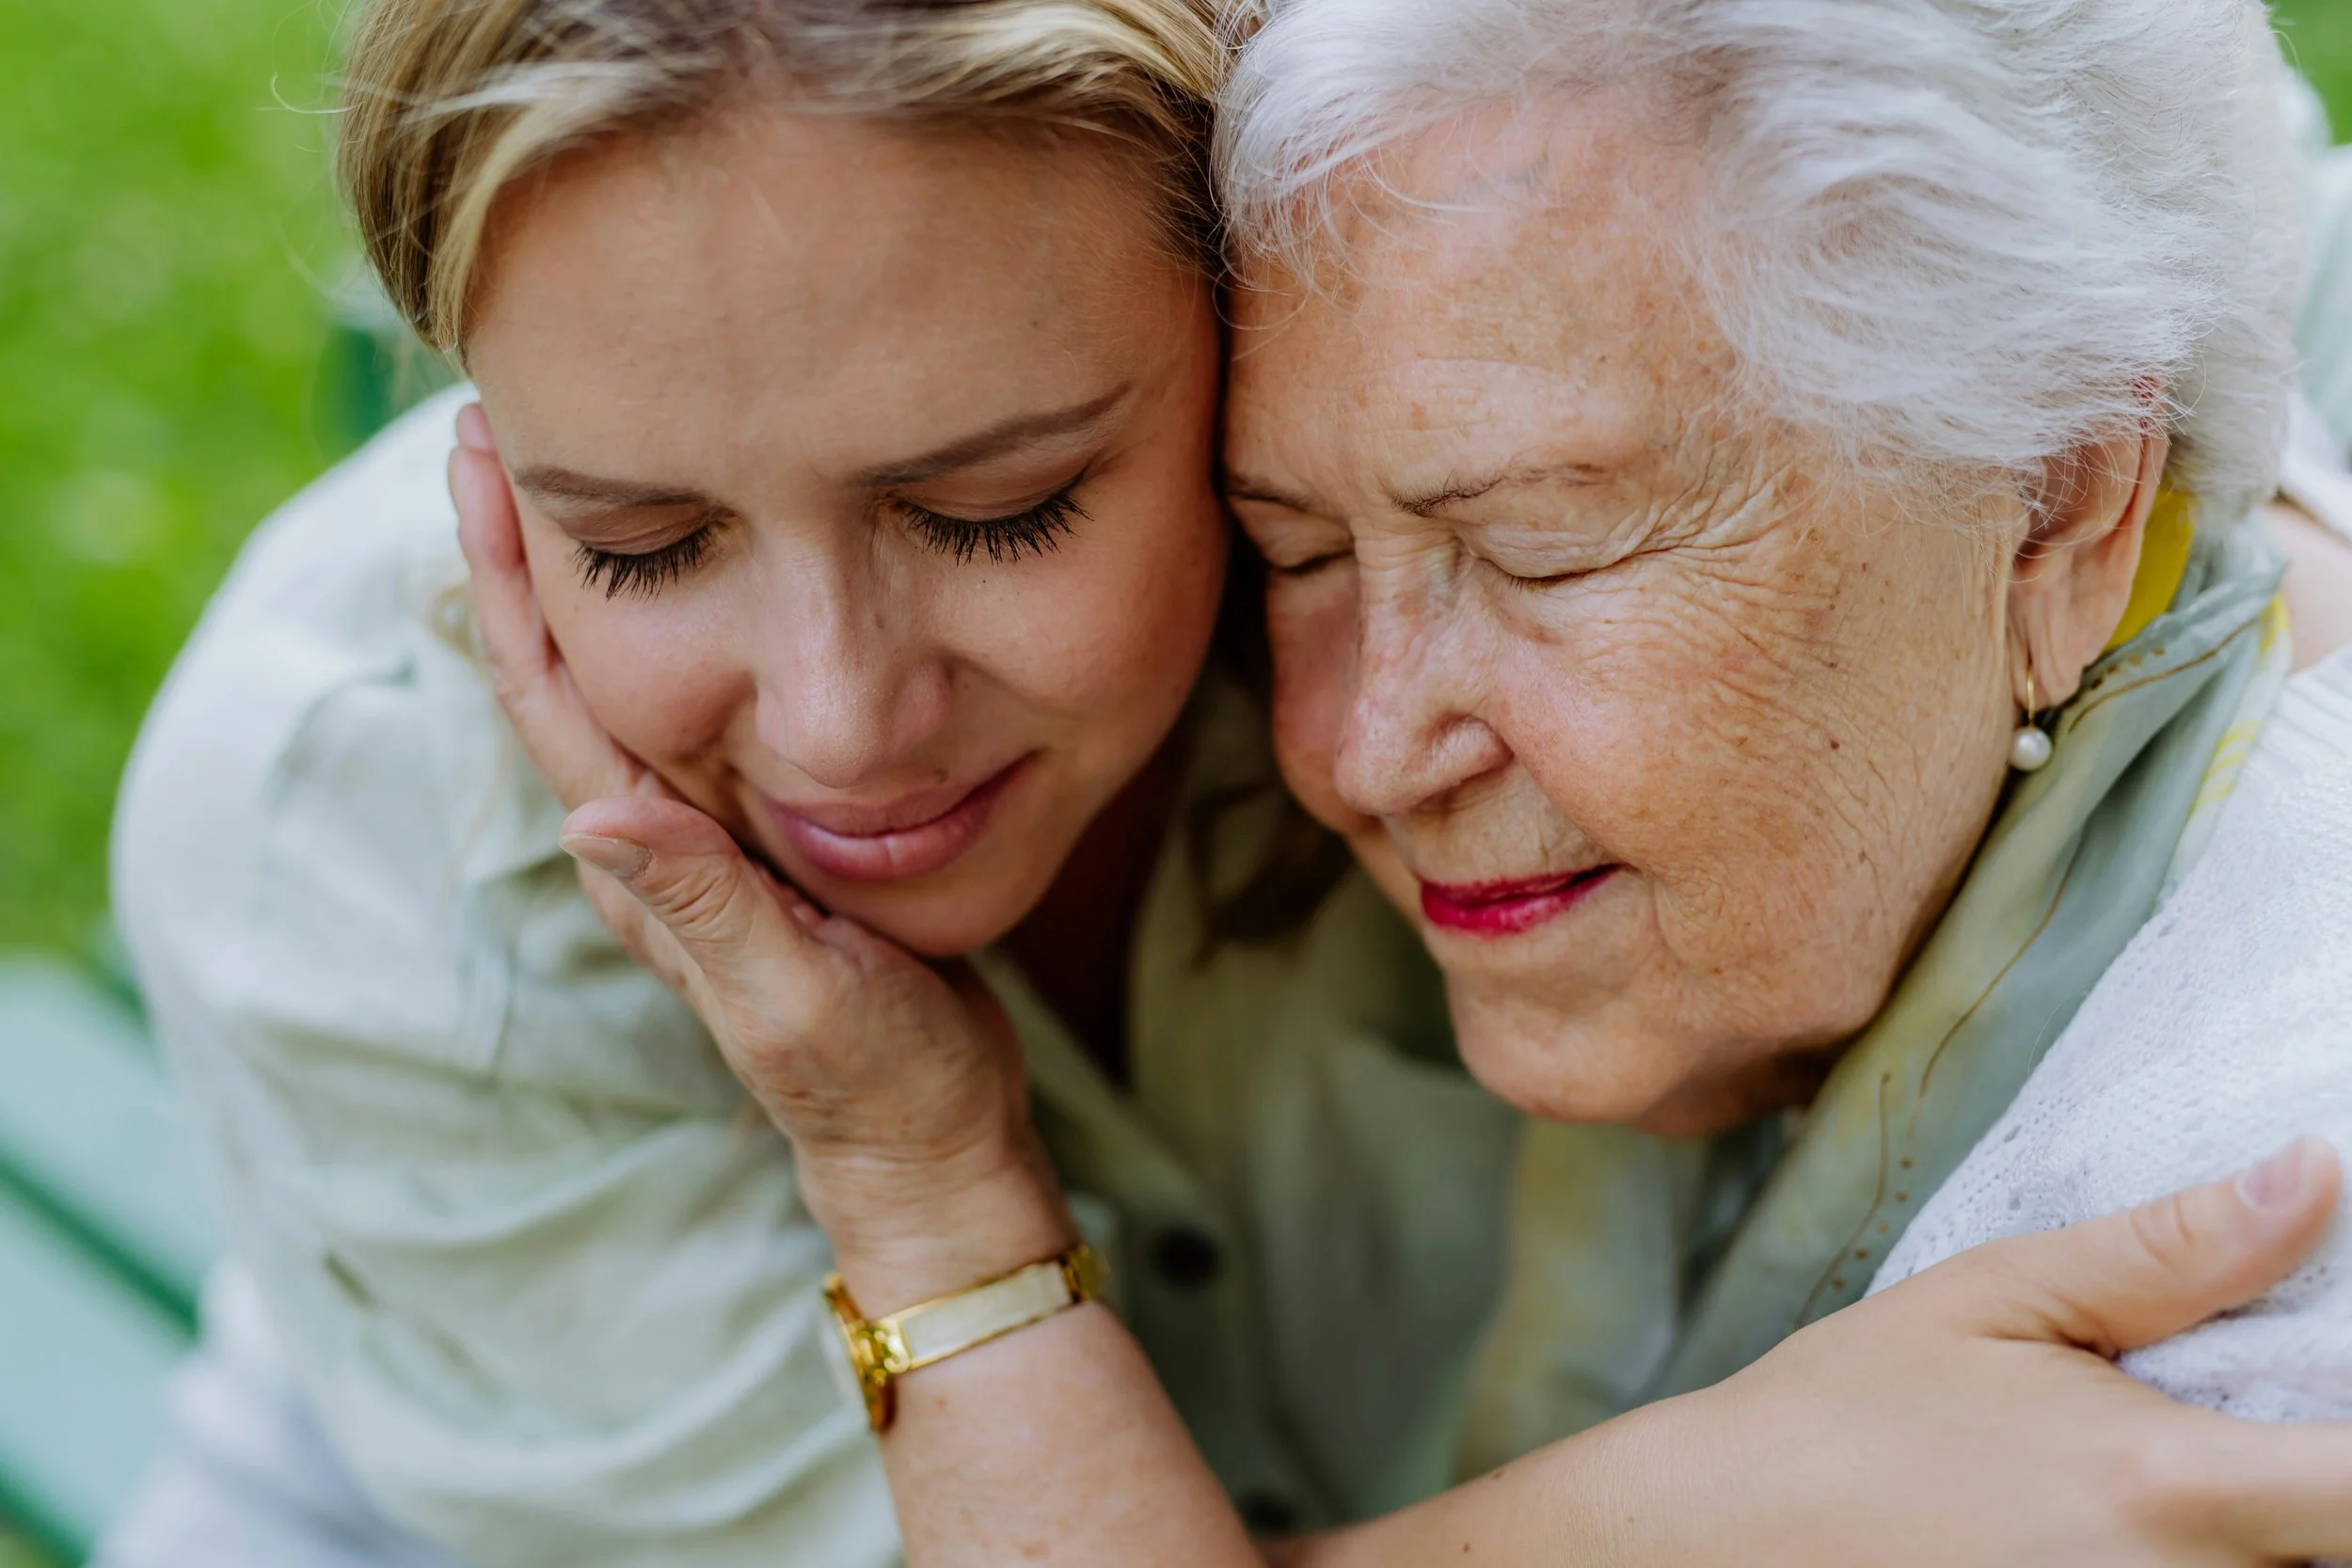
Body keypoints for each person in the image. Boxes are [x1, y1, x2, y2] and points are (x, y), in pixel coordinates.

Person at [103, 4, 2352, 1568]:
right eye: (637, 543)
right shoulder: (368, 841)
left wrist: (2258, 524)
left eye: (997, 507)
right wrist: (1715, 1512)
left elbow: (2105, 161)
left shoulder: (1402, 324)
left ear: (1227, 289)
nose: (836, 720)